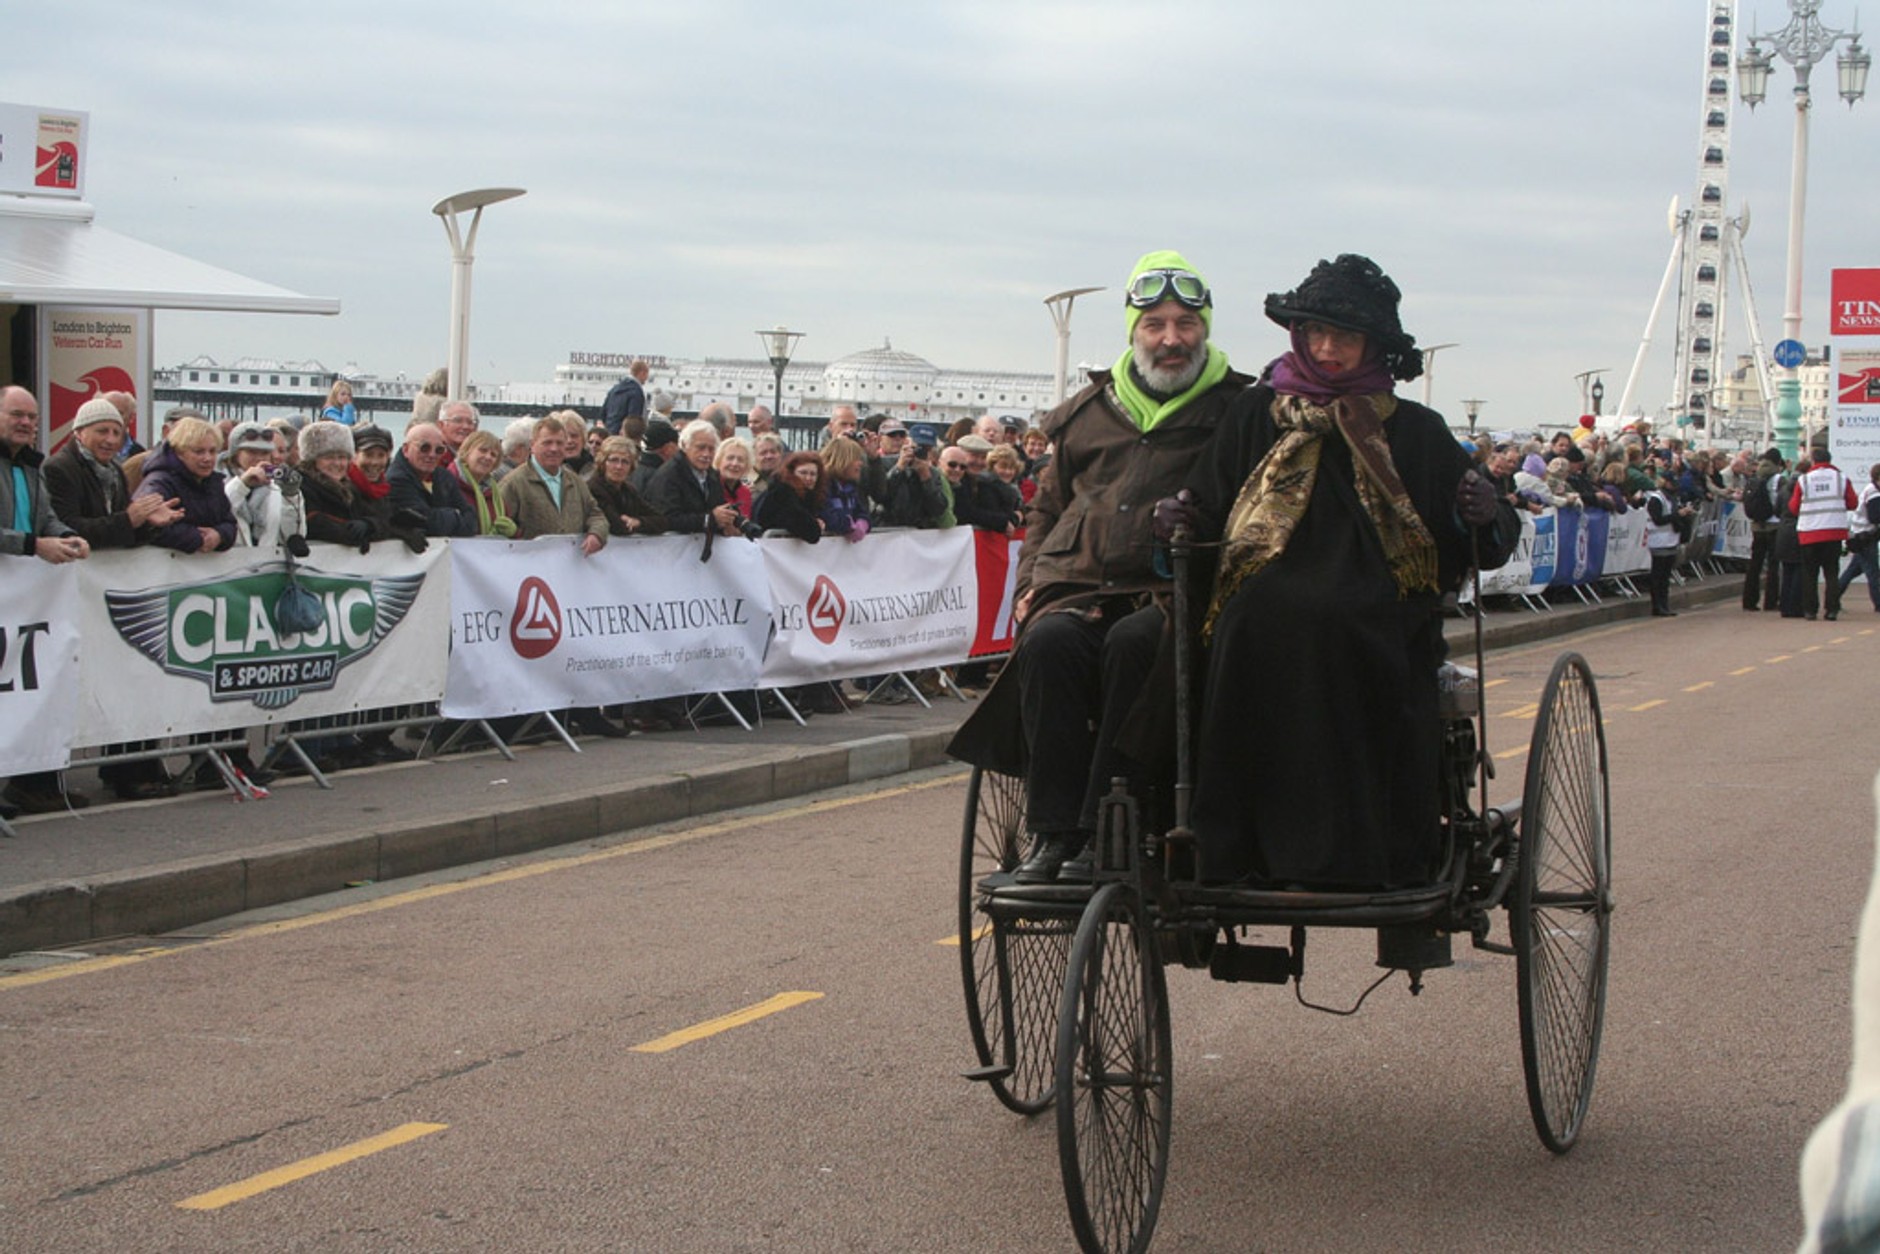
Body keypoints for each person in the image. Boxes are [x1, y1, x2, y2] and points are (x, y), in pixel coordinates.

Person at [1165, 253, 1516, 889]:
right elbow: (1207, 506)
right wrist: (1178, 520)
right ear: (1298, 335)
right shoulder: (1255, 415)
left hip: (1377, 603)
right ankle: (1238, 848)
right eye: (1316, 333)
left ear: (1373, 345)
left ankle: (1349, 852)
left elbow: (1486, 539)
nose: (1327, 349)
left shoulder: (1415, 430)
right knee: (1242, 625)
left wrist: (1481, 511)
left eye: (1345, 337)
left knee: (1335, 623)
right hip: (1262, 594)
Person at [949, 249, 1253, 883]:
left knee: (1134, 645)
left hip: (1175, 594)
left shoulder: (1237, 411)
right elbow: (1046, 508)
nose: (1171, 339)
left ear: (1204, 329)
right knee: (1050, 644)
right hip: (1080, 583)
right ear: (1134, 332)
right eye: (1155, 325)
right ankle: (1053, 832)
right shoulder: (1089, 411)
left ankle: (1109, 828)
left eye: (1185, 324)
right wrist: (1030, 583)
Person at [0, 387, 94, 815]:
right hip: (13, 591)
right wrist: (34, 545)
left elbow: (47, 517)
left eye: (32, 417)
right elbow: (31, 535)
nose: (26, 423)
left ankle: (30, 782)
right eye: (16, 414)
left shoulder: (31, 466)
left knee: (22, 693)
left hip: (24, 601)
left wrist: (68, 537)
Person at [43, 396, 181, 553]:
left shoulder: (116, 470)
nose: (111, 440)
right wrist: (128, 520)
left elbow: (125, 535)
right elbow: (66, 529)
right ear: (79, 432)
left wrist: (148, 522)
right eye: (102, 431)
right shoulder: (58, 468)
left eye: (117, 433)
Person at [497, 416, 607, 552]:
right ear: (532, 445)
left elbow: (596, 515)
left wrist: (596, 534)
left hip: (569, 561)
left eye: (559, 443)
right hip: (529, 561)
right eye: (547, 443)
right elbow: (499, 526)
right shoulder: (513, 483)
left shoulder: (576, 482)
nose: (554, 448)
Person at [133, 416, 237, 553]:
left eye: (212, 451)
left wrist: (219, 535)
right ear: (179, 453)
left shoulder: (213, 483)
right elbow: (151, 528)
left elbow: (229, 522)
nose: (207, 458)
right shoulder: (159, 483)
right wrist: (198, 539)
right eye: (199, 452)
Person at [1792, 432, 1859, 621]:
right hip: (1833, 532)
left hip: (1809, 533)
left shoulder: (1804, 480)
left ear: (1813, 461)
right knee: (1831, 573)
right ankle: (1831, 610)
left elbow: (1794, 507)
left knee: (1809, 574)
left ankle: (1810, 610)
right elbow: (1853, 503)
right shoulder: (1841, 478)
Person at [222, 421, 308, 553]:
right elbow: (219, 512)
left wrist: (290, 496)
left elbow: (293, 534)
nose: (259, 458)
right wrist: (242, 485)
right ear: (235, 454)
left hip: (265, 562)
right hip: (227, 562)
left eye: (264, 453)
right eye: (252, 452)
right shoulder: (219, 482)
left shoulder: (276, 487)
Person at [646, 419, 741, 537]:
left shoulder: (711, 474)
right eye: (701, 447)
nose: (706, 454)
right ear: (685, 445)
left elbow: (717, 505)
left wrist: (728, 522)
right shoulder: (669, 475)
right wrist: (709, 519)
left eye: (711, 449)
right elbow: (666, 519)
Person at [388, 422, 478, 536]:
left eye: (439, 450)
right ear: (406, 449)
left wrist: (440, 516)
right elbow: (423, 522)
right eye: (424, 448)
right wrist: (455, 514)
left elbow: (472, 520)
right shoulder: (396, 480)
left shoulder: (444, 476)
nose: (432, 455)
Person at [586, 436, 667, 536]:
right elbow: (618, 527)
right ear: (603, 462)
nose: (619, 467)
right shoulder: (594, 489)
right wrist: (633, 523)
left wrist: (638, 522)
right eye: (614, 460)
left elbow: (662, 521)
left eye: (625, 462)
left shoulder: (628, 490)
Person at [1741, 449, 1785, 611]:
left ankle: (1749, 601)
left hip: (1757, 525)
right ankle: (1771, 601)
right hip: (1774, 525)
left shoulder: (1755, 476)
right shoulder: (1779, 479)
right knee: (1773, 565)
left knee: (1755, 564)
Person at [454, 429, 519, 537]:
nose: (488, 457)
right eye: (482, 450)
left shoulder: (494, 493)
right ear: (467, 451)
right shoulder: (449, 484)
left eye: (493, 455)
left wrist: (513, 532)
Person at [1643, 472, 1691, 616]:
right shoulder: (1656, 499)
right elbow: (1658, 520)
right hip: (1658, 542)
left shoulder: (1672, 498)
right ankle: (1657, 606)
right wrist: (1678, 515)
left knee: (1665, 577)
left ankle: (1664, 604)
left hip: (1670, 540)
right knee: (1657, 576)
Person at [751, 450, 826, 542]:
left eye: (813, 474)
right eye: (803, 473)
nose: (808, 478)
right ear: (791, 473)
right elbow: (809, 531)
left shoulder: (805, 496)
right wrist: (815, 525)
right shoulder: (783, 493)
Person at [1837, 463, 1880, 613]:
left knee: (1853, 571)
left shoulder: (1871, 490)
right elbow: (1875, 517)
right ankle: (1878, 603)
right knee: (1873, 572)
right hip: (1865, 537)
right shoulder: (1874, 493)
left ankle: (1833, 597)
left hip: (1860, 535)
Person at [816, 433, 871, 541]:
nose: (860, 464)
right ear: (842, 460)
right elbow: (828, 516)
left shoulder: (851, 487)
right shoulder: (822, 486)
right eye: (856, 459)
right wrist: (849, 525)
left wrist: (863, 523)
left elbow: (863, 512)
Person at [602, 359, 652, 439]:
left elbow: (603, 412)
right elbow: (634, 419)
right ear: (642, 373)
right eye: (647, 374)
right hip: (625, 436)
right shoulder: (636, 391)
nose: (647, 378)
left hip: (610, 433)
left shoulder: (614, 389)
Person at [714, 436, 755, 521]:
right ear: (719, 460)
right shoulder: (708, 488)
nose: (735, 463)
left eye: (740, 460)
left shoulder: (746, 493)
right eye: (730, 458)